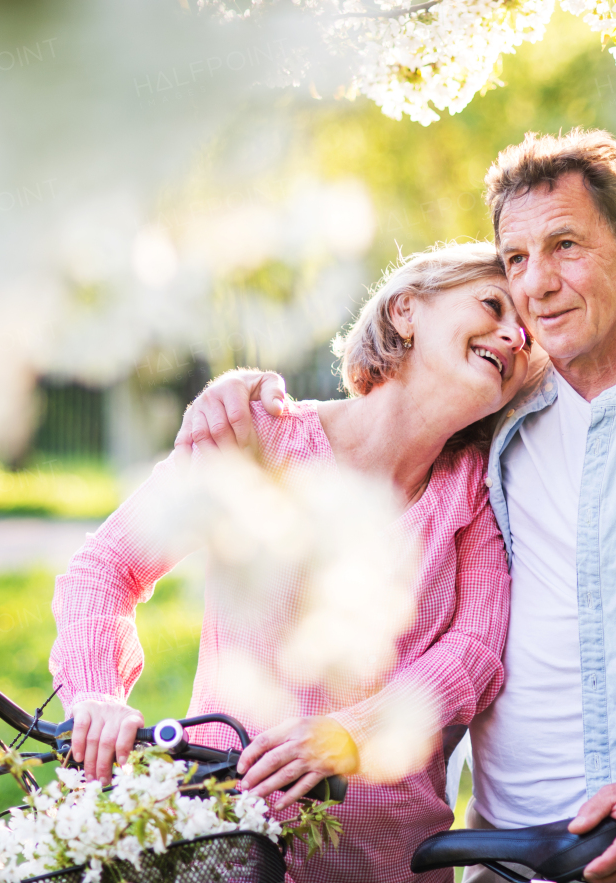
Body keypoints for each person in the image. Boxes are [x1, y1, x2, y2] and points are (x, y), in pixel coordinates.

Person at [177, 129, 616, 883]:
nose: (537, 284)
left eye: (566, 245)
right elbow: (389, 405)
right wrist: (245, 391)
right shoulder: (499, 414)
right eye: (516, 259)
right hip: (499, 856)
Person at [49, 242, 530, 883]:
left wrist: (351, 732)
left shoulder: (472, 493)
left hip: (384, 861)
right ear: (407, 310)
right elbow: (105, 569)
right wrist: (95, 698)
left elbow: (473, 652)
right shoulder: (263, 436)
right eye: (493, 304)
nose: (513, 332)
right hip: (222, 834)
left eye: (526, 334)